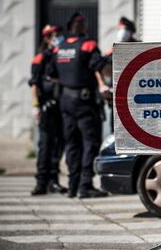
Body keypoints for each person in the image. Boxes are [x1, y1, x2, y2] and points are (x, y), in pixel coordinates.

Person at [49, 13, 108, 198]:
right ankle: (85, 186)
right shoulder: (88, 45)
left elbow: (51, 74)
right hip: (84, 101)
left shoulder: (59, 48)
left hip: (65, 101)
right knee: (90, 143)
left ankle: (72, 186)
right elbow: (98, 66)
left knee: (72, 144)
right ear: (82, 27)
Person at [29, 25, 67, 195]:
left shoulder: (61, 56)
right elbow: (34, 84)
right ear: (46, 38)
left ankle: (53, 181)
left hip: (60, 106)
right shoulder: (40, 58)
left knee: (58, 145)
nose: (57, 37)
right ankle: (41, 182)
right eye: (54, 35)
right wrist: (35, 106)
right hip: (46, 107)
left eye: (59, 34)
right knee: (45, 146)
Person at [103, 17, 138, 132]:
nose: (121, 32)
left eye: (124, 29)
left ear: (131, 31)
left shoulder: (139, 47)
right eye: (120, 29)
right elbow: (103, 65)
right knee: (116, 128)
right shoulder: (114, 49)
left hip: (136, 96)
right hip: (118, 96)